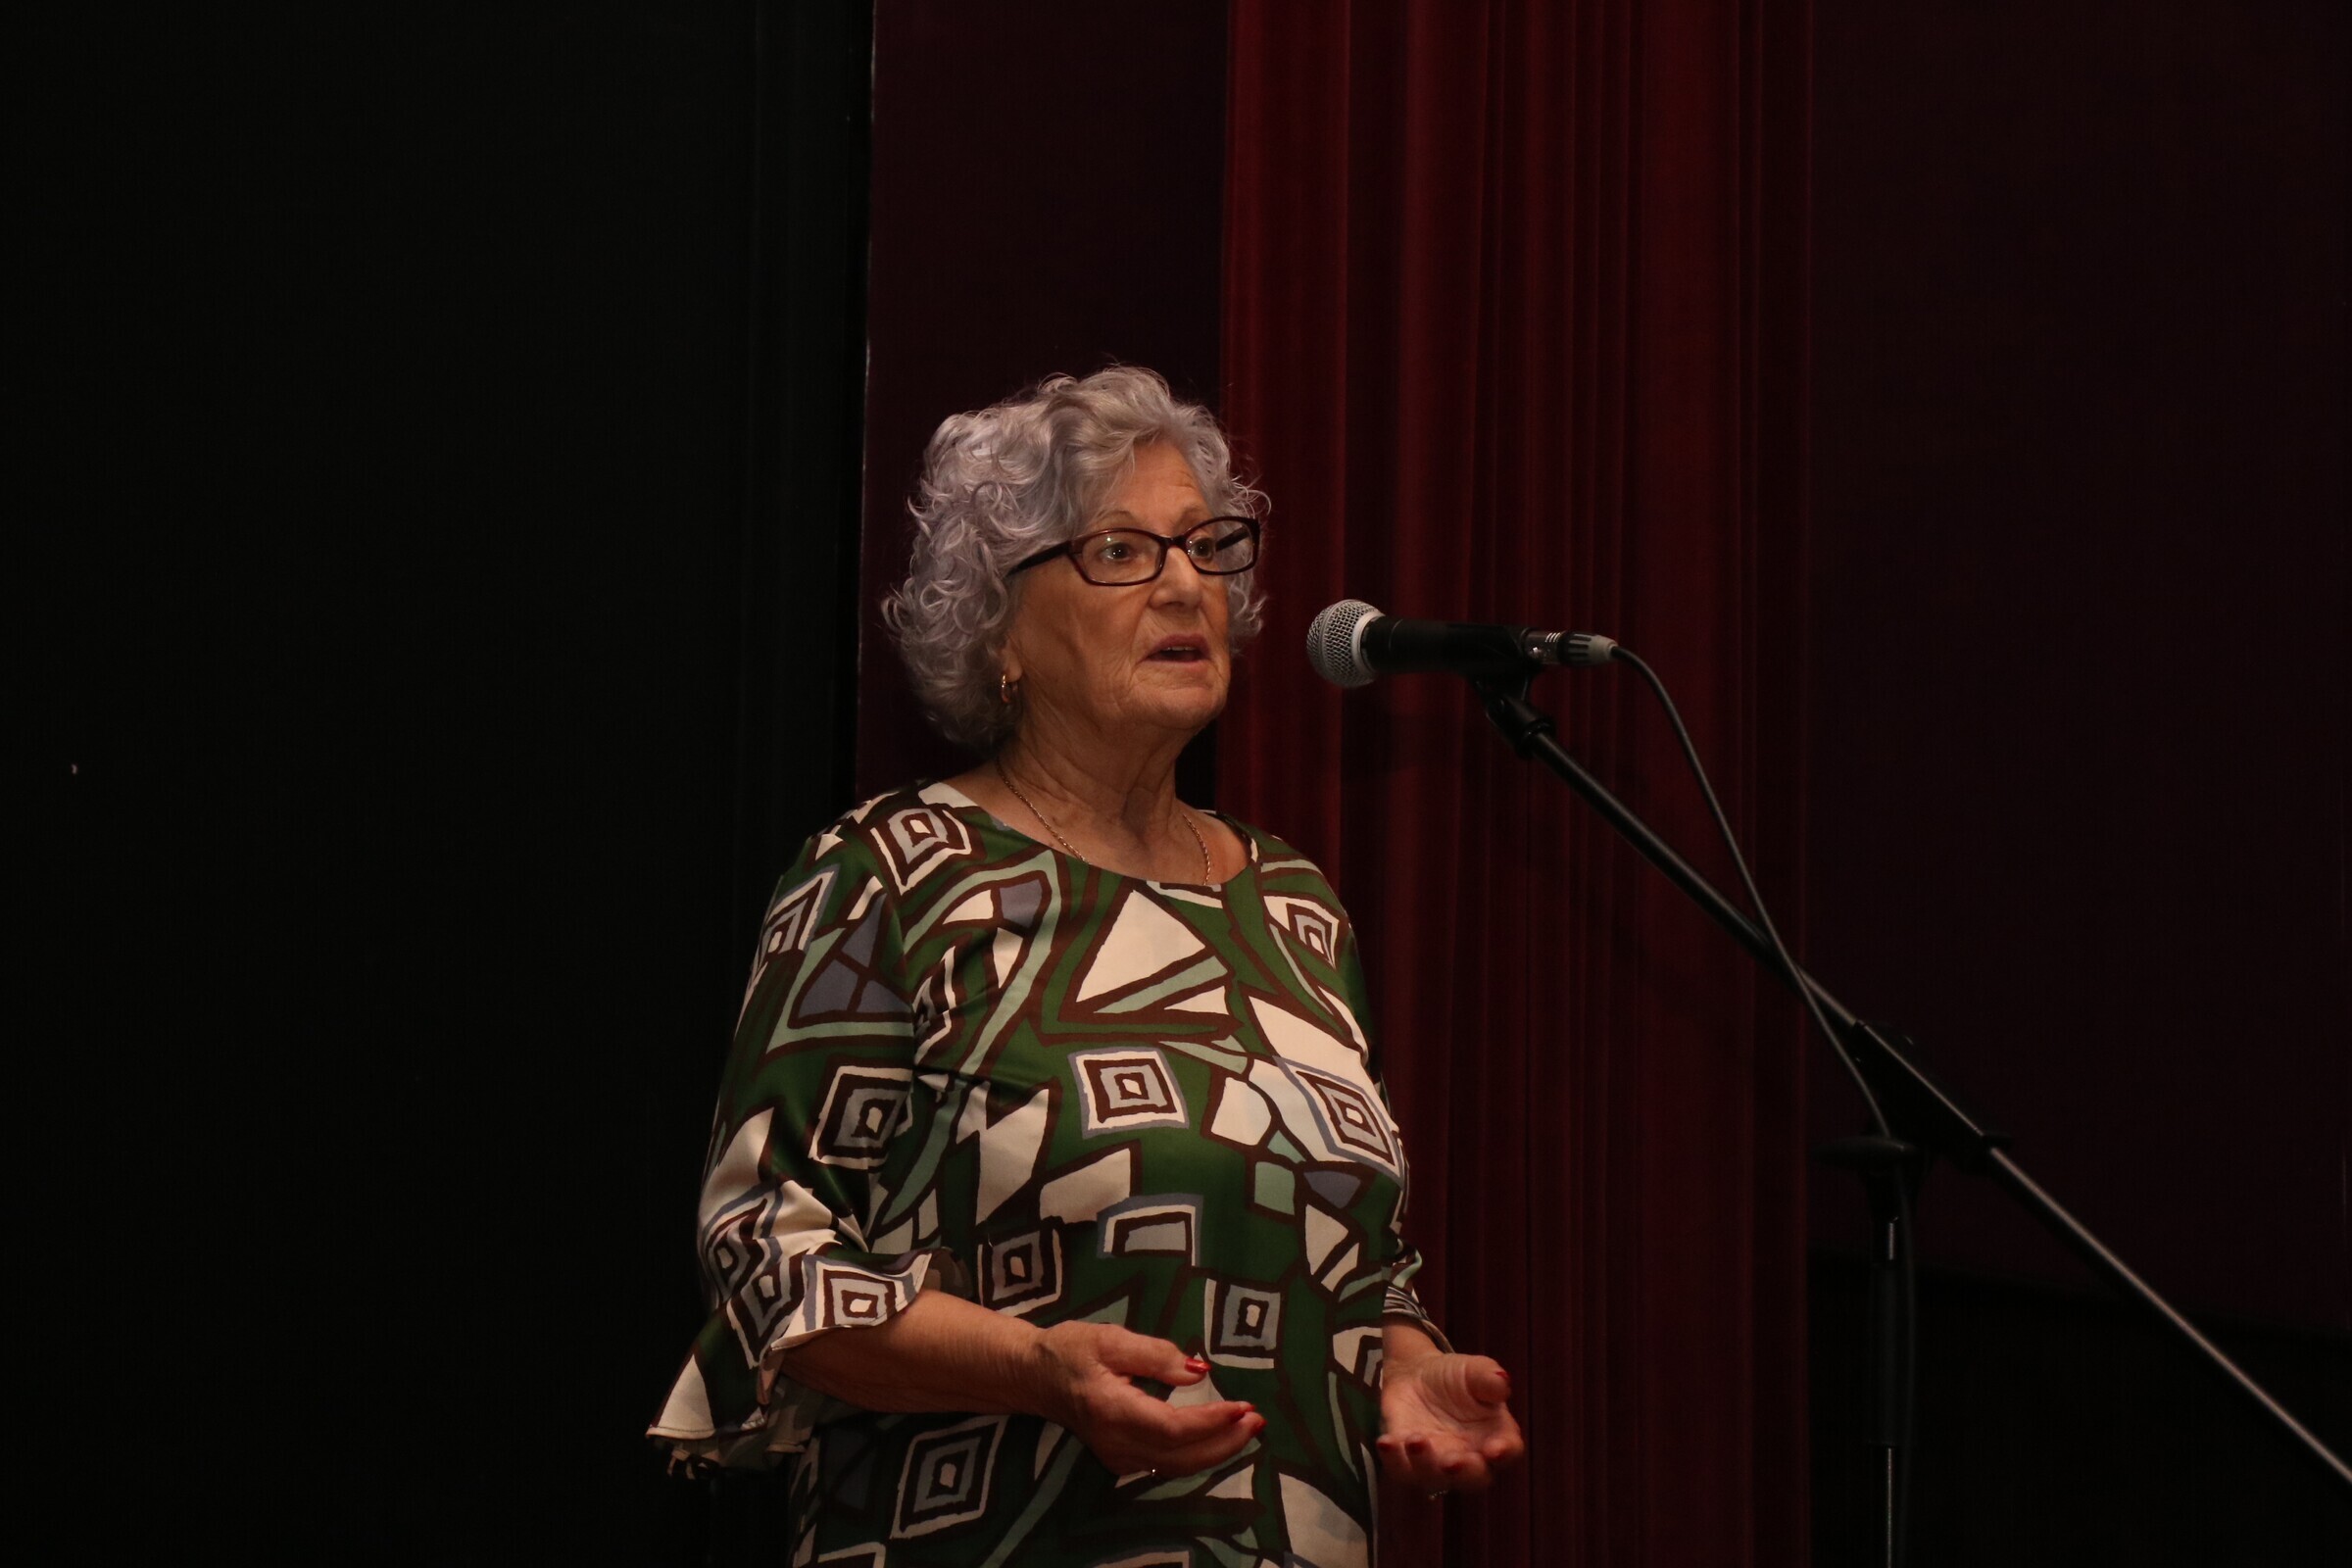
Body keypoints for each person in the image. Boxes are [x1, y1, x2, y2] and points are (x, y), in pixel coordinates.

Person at [650, 367, 1524, 1564]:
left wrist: (1408, 1363)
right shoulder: (893, 876)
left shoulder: (1293, 905)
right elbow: (768, 1254)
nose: (1186, 583)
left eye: (1207, 547)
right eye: (1119, 550)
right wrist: (1040, 1368)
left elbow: (1361, 1263)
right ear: (999, 628)